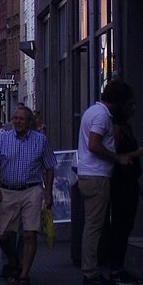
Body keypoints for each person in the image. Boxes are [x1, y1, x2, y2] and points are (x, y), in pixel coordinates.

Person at [0, 105, 57, 285]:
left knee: (29, 234)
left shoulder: (40, 140)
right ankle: (13, 261)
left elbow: (49, 167)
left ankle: (24, 274)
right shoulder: (3, 139)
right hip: (8, 190)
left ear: (29, 122)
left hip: (32, 190)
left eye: (22, 119)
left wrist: (48, 193)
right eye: (15, 118)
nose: (18, 122)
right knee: (4, 235)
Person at [77, 79, 134, 285]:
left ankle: (90, 271)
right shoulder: (102, 116)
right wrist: (117, 157)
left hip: (88, 174)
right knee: (94, 227)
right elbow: (94, 144)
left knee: (92, 225)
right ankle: (90, 273)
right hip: (96, 175)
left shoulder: (93, 111)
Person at [109, 95, 143, 285]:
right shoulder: (117, 129)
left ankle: (118, 268)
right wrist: (138, 152)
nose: (134, 109)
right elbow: (116, 155)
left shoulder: (127, 128)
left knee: (126, 226)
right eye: (131, 105)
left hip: (129, 182)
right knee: (120, 227)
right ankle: (116, 269)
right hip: (121, 184)